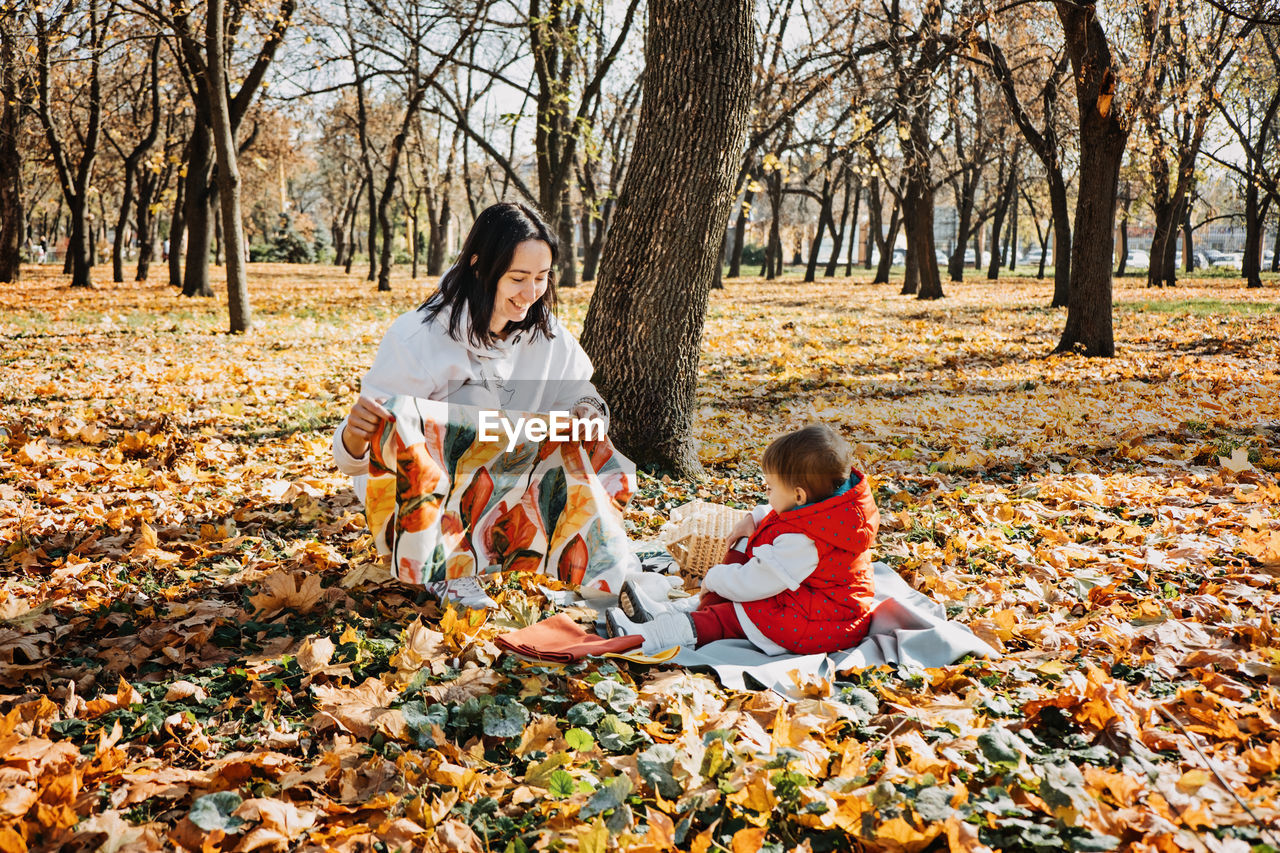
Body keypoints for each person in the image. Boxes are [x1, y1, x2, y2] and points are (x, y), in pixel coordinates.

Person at [333, 202, 609, 609]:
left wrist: (588, 409)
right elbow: (359, 461)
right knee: (471, 402)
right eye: (517, 278)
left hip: (503, 478)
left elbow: (580, 391)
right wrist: (355, 436)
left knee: (579, 435)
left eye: (541, 277)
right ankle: (448, 569)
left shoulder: (545, 331)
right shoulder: (419, 337)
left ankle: (562, 554)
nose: (531, 293)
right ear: (480, 265)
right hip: (415, 495)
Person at [606, 424, 880, 655]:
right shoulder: (823, 511)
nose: (768, 495)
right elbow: (785, 518)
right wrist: (757, 517)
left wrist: (714, 578)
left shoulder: (804, 544)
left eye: (771, 489)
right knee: (747, 547)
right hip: (810, 598)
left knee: (731, 616)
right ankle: (669, 613)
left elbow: (753, 583)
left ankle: (648, 636)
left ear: (798, 495)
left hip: (820, 623)